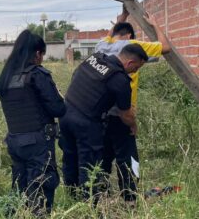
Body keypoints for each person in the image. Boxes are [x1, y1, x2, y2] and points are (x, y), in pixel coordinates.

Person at [95, 7, 171, 203]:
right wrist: (155, 25)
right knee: (128, 159)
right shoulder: (132, 45)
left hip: (100, 113)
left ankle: (100, 197)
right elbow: (165, 47)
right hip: (123, 113)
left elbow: (109, 36)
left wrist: (122, 18)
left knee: (103, 157)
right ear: (129, 36)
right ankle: (130, 198)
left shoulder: (101, 47)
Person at [60, 44, 148, 204]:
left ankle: (71, 197)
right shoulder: (120, 79)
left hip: (65, 113)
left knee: (70, 157)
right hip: (86, 122)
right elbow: (126, 114)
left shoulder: (95, 59)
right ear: (129, 63)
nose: (135, 72)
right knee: (89, 164)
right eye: (136, 68)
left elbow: (76, 76)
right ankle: (89, 207)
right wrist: (133, 125)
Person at [0, 30, 66, 216]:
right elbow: (58, 109)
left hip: (15, 141)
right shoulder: (37, 75)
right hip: (38, 143)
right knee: (41, 187)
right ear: (37, 54)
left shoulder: (6, 78)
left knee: (19, 186)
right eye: (42, 54)